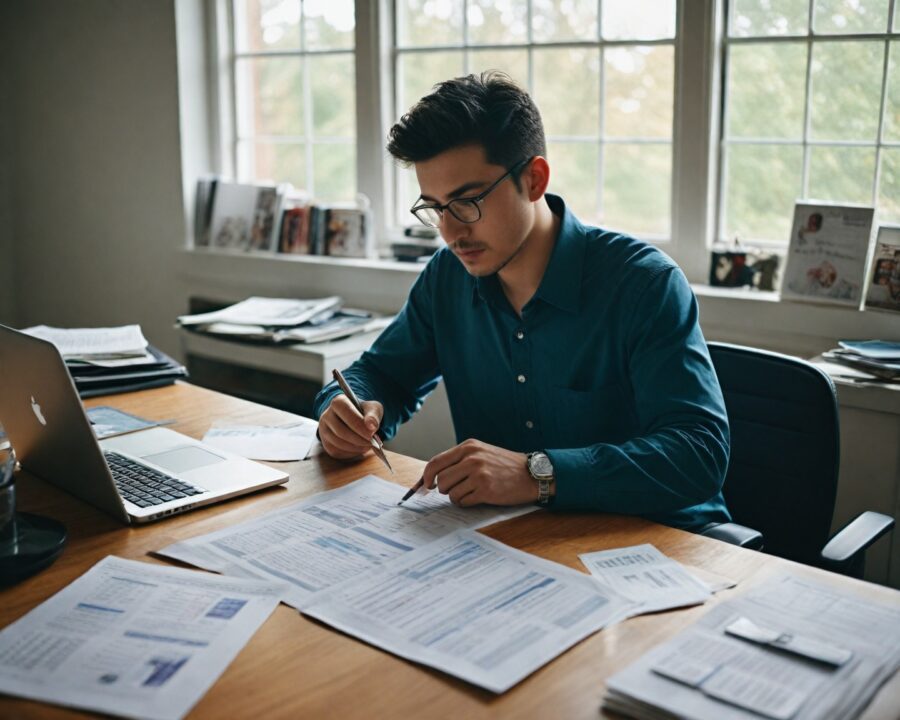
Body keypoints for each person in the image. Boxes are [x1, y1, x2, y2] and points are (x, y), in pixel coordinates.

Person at [314, 72, 730, 530]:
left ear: (533, 179)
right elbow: (379, 375)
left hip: (662, 542)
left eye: (467, 201)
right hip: (517, 542)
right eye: (434, 207)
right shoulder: (448, 277)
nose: (452, 233)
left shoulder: (644, 284)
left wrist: (538, 473)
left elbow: (699, 452)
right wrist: (345, 408)